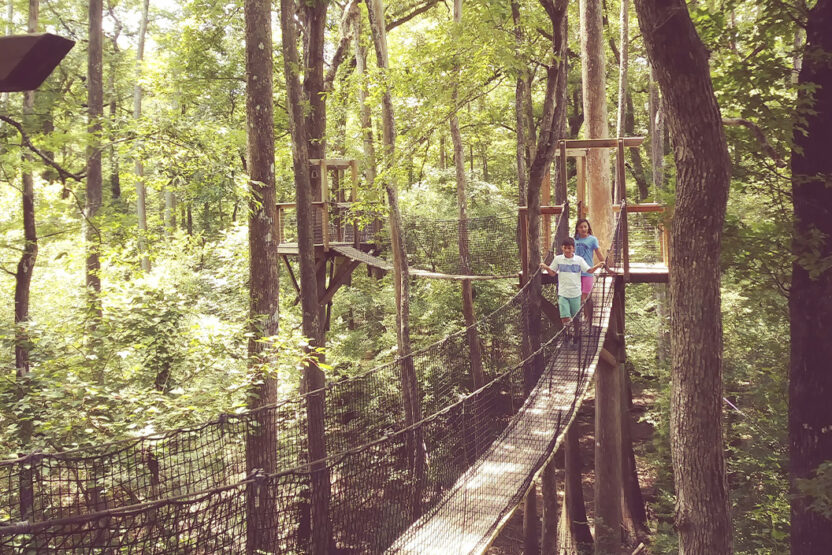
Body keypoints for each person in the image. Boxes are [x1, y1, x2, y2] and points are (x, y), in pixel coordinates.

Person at [540, 237, 604, 343]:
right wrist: (546, 267)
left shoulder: (579, 260)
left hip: (575, 293)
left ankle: (577, 335)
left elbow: (589, 270)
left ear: (573, 249)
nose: (567, 250)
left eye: (569, 248)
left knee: (576, 318)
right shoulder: (558, 259)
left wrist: (598, 265)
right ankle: (568, 333)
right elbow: (552, 273)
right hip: (563, 293)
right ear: (562, 248)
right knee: (565, 317)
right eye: (565, 248)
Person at [574, 218, 606, 302]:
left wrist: (604, 263)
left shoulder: (592, 239)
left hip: (588, 270)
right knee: (577, 293)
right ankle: (579, 314)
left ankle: (585, 314)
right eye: (581, 227)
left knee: (586, 294)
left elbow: (598, 251)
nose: (583, 229)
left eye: (585, 226)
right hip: (575, 270)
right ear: (577, 228)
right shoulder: (574, 240)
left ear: (588, 227)